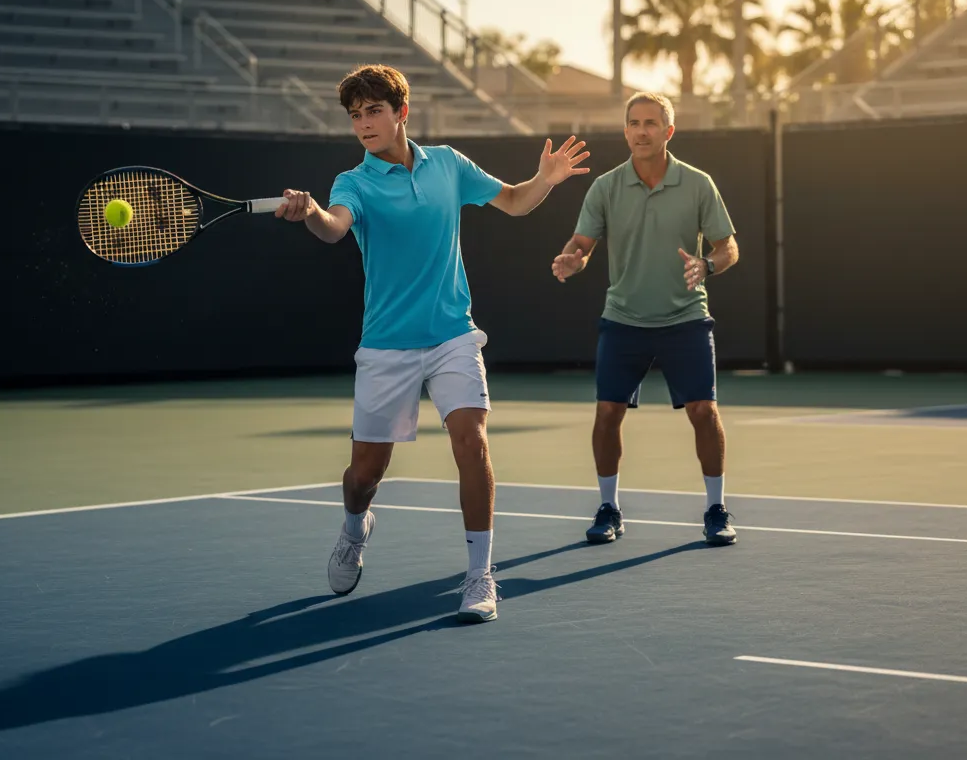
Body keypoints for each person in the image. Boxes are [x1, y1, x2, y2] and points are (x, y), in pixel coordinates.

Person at [275, 63, 590, 622]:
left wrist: (547, 178)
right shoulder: (354, 183)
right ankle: (354, 528)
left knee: (471, 441)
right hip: (386, 345)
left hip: (451, 334)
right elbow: (335, 226)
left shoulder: (447, 164)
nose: (364, 124)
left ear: (401, 112)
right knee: (364, 476)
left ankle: (480, 577)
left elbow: (515, 201)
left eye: (374, 111)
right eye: (355, 116)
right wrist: (312, 213)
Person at [550, 91, 740, 546]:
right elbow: (581, 244)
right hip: (624, 320)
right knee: (608, 413)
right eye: (633, 123)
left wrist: (707, 265)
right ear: (625, 131)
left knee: (703, 411)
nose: (641, 130)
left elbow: (728, 246)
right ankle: (609, 507)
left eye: (651, 123)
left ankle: (716, 508)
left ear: (668, 131)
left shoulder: (698, 184)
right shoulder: (606, 187)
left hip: (686, 319)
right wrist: (573, 259)